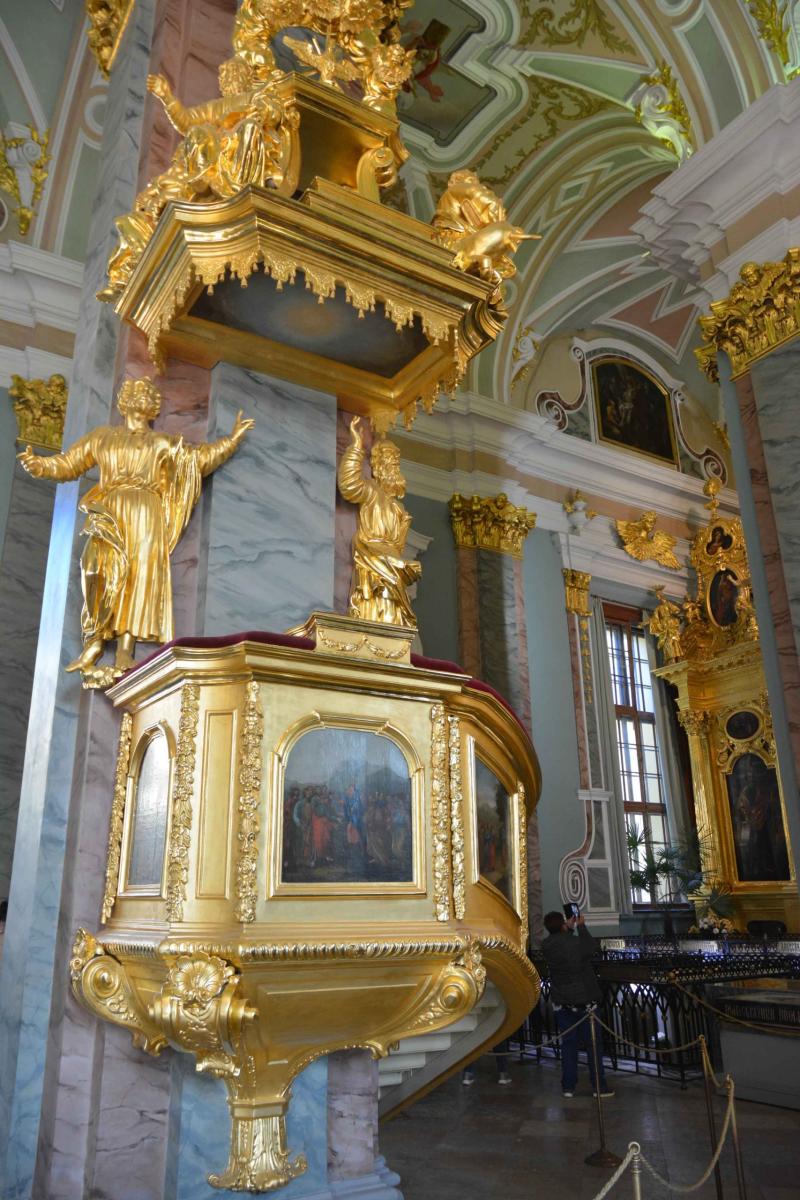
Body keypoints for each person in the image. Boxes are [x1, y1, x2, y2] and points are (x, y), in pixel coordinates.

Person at [541, 910, 614, 1099]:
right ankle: (599, 1086)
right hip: (585, 1001)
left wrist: (568, 929)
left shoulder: (546, 945)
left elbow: (564, 947)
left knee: (568, 1045)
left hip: (562, 1002)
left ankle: (568, 1086)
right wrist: (580, 926)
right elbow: (591, 948)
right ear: (562, 925)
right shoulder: (575, 942)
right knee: (593, 1045)